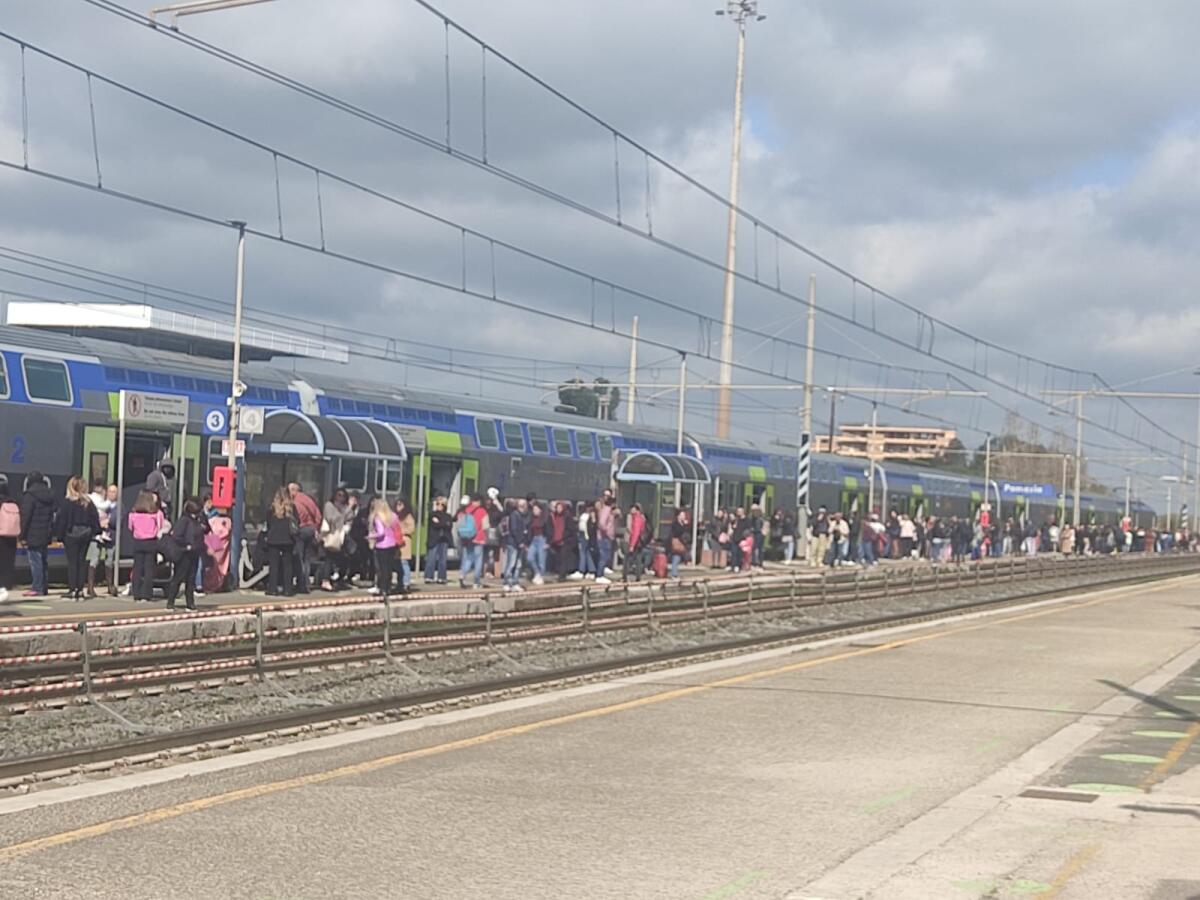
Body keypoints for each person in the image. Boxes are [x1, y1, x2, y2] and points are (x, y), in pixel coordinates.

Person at [55, 476, 100, 601]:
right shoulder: (88, 502)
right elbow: (94, 518)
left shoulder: (67, 502)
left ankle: (72, 589)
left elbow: (62, 520)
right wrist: (95, 531)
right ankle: (80, 589)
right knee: (81, 561)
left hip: (71, 534)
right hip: (85, 534)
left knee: (72, 563)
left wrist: (59, 537)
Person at [18, 472, 55, 597]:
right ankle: (43, 587)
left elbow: (26, 516)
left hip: (33, 533)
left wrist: (22, 535)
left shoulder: (30, 495)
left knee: (35, 561)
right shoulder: (50, 495)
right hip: (45, 532)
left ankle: (37, 587)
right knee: (43, 561)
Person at [165, 498, 205, 611]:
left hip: (195, 552)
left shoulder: (198, 520)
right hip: (184, 553)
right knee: (178, 577)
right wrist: (186, 545)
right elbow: (176, 536)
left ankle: (190, 603)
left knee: (191, 579)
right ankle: (170, 602)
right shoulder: (184, 520)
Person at [127, 489, 166, 602]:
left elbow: (130, 527)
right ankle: (146, 594)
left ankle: (136, 593)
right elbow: (160, 527)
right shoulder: (156, 514)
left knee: (137, 568)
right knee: (149, 569)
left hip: (138, 542)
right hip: (150, 542)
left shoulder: (133, 515)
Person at [264, 487, 298, 597]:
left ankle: (272, 588)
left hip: (273, 539)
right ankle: (287, 589)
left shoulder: (272, 509)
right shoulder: (291, 508)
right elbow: (297, 522)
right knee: (287, 565)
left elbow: (268, 522)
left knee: (274, 565)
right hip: (288, 539)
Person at [288, 482, 320, 595]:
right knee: (307, 558)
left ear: (294, 490)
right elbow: (318, 515)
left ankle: (301, 583)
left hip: (300, 530)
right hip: (310, 529)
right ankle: (306, 583)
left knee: (299, 557)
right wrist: (315, 528)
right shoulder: (308, 500)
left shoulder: (294, 502)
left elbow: (294, 519)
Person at [85, 479, 115, 599]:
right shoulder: (95, 499)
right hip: (97, 532)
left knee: (102, 559)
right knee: (95, 558)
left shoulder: (92, 498)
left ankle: (98, 586)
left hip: (104, 533)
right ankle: (91, 586)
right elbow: (102, 507)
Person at [367, 497, 398, 598]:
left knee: (382, 568)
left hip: (382, 545)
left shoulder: (378, 518)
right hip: (392, 544)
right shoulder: (393, 516)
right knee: (389, 568)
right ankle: (388, 588)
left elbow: (381, 532)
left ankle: (383, 589)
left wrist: (371, 536)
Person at [456, 493, 488, 589]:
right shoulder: (482, 511)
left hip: (468, 538)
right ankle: (476, 582)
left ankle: (462, 574)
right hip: (479, 538)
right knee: (478, 560)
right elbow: (485, 526)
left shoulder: (465, 510)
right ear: (479, 501)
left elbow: (459, 523)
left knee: (469, 558)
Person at [502, 497, 530, 593]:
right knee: (511, 564)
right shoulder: (515, 515)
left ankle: (515, 582)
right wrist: (520, 542)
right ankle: (506, 582)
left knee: (518, 565)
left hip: (518, 544)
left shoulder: (521, 516)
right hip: (513, 544)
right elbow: (514, 530)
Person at [424, 496, 452, 585]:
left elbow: (449, 525)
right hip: (434, 539)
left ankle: (442, 577)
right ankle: (429, 576)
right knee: (431, 558)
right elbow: (436, 524)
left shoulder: (448, 516)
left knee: (442, 559)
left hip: (444, 540)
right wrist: (443, 523)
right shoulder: (432, 514)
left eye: (441, 504)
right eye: (437, 504)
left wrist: (440, 523)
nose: (439, 506)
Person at [204, 507, 232, 594]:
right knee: (220, 565)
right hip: (222, 545)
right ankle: (217, 585)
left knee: (211, 566)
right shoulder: (228, 521)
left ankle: (209, 585)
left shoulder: (212, 520)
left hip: (212, 542)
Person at [0, 481, 19, 602]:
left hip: (1, 536)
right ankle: (4, 588)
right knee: (7, 564)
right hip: (11, 537)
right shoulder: (13, 503)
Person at [393, 498, 416, 594]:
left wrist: (401, 531)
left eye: (400, 504)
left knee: (404, 563)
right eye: (397, 504)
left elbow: (412, 529)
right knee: (397, 564)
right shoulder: (395, 516)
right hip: (397, 543)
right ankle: (400, 583)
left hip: (405, 543)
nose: (398, 507)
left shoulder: (408, 516)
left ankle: (406, 583)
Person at [623, 502, 648, 581]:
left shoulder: (636, 518)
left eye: (633, 509)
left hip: (633, 541)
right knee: (638, 559)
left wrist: (632, 545)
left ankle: (626, 576)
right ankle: (638, 576)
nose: (631, 510)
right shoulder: (642, 518)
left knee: (628, 559)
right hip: (639, 541)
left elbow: (635, 532)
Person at [527, 501, 548, 586]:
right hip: (534, 539)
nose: (534, 511)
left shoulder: (545, 519)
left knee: (541, 560)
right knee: (529, 557)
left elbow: (549, 530)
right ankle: (537, 572)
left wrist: (548, 543)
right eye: (533, 509)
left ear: (540, 510)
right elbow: (529, 531)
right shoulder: (532, 519)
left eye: (536, 509)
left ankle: (541, 576)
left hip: (542, 539)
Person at [668, 508, 689, 581]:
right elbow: (677, 532)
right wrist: (683, 526)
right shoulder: (675, 524)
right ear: (678, 516)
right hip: (676, 542)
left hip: (681, 543)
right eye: (682, 515)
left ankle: (675, 573)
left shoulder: (683, 524)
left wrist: (685, 525)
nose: (683, 517)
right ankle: (674, 574)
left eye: (684, 515)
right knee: (676, 558)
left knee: (678, 558)